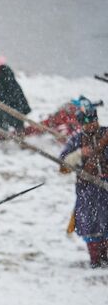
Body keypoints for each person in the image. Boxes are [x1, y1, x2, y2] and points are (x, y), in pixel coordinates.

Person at [59, 97, 108, 267]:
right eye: (86, 123)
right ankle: (95, 260)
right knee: (90, 225)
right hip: (87, 190)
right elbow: (63, 166)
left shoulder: (106, 134)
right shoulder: (77, 140)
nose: (90, 126)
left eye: (92, 121)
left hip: (106, 190)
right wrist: (80, 154)